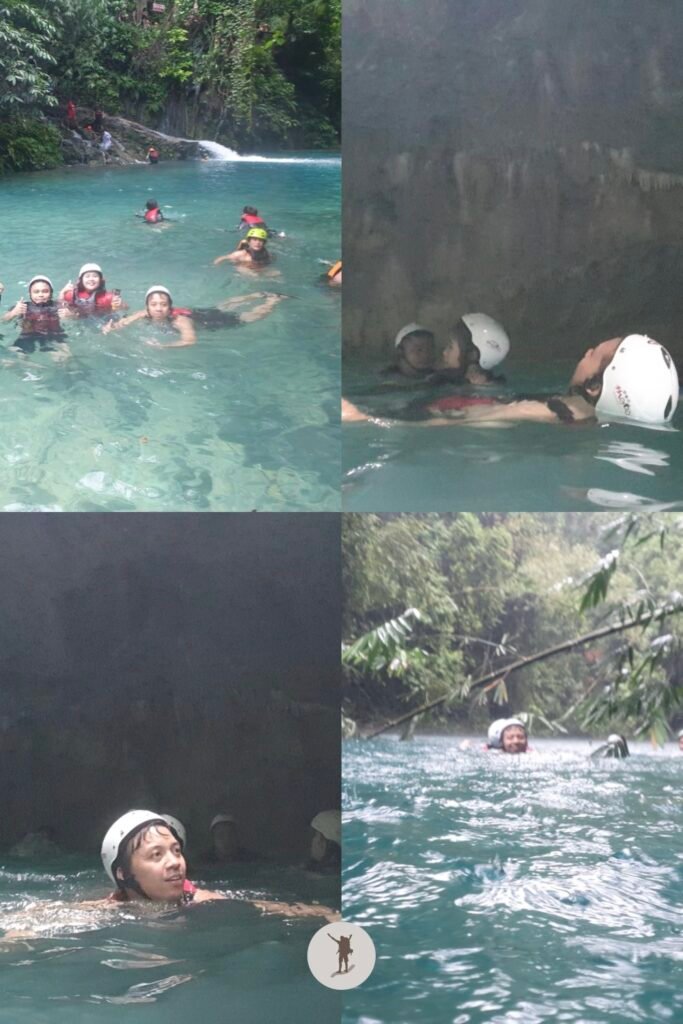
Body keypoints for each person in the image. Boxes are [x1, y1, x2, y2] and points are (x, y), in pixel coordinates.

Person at [343, 335, 680, 428]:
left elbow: (471, 419)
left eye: (594, 354)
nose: (586, 350)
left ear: (594, 387)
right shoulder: (573, 415)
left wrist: (365, 419)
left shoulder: (547, 411)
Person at [97, 810, 335, 919]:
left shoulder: (197, 898)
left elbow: (259, 905)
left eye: (176, 851)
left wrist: (320, 912)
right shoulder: (107, 910)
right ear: (123, 873)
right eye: (156, 855)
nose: (174, 862)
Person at [103, 286, 285, 347]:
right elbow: (125, 322)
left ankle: (272, 300)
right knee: (222, 305)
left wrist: (164, 346)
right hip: (195, 310)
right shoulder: (144, 313)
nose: (158, 309)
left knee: (246, 317)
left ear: (170, 306)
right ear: (147, 307)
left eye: (163, 305)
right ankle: (257, 294)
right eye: (154, 305)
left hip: (206, 320)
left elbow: (189, 340)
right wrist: (112, 327)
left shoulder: (180, 320)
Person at [0, 276, 71, 360]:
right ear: (30, 293)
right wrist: (14, 313)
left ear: (51, 293)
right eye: (36, 292)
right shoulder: (23, 306)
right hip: (27, 336)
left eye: (45, 291)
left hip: (54, 336)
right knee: (13, 359)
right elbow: (3, 320)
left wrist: (69, 315)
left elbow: (75, 316)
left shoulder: (57, 306)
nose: (40, 295)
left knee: (65, 358)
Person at [59, 263, 127, 317]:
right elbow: (59, 305)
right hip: (79, 318)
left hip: (101, 319)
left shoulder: (108, 297)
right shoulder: (71, 295)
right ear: (81, 280)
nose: (91, 279)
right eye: (87, 276)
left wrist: (121, 305)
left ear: (101, 280)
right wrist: (62, 293)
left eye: (95, 276)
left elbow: (125, 309)